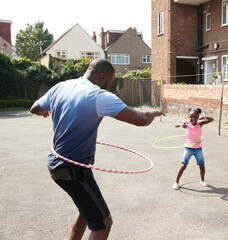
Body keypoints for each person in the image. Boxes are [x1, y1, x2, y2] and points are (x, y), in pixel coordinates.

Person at [30, 59, 164, 240]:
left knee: (87, 212)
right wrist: (153, 113)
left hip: (56, 164)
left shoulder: (61, 86)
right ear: (101, 77)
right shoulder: (98, 96)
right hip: (73, 170)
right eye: (109, 83)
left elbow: (34, 108)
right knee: (103, 224)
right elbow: (140, 119)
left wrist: (45, 110)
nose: (108, 88)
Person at [172, 108, 213, 190]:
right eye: (191, 117)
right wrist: (181, 125)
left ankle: (202, 180)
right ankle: (176, 182)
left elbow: (211, 120)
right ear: (188, 117)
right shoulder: (186, 124)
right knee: (183, 166)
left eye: (195, 117)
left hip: (198, 148)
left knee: (202, 166)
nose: (193, 119)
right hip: (188, 148)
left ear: (198, 117)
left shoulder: (200, 124)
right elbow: (175, 125)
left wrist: (204, 117)